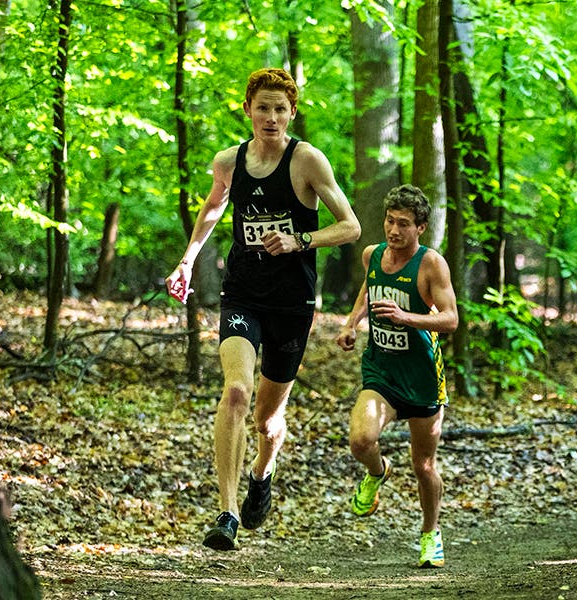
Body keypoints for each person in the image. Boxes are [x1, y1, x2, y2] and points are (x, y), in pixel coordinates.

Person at [165, 67, 361, 551]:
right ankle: (227, 512)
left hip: (292, 304)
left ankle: (261, 471)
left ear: (292, 112)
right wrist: (188, 260)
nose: (271, 116)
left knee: (267, 421)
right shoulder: (228, 161)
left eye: (280, 108)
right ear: (248, 110)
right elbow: (213, 207)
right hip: (243, 294)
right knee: (236, 391)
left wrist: (300, 240)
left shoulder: (307, 161)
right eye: (263, 107)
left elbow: (351, 226)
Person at [335, 184, 458, 568]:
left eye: (404, 224)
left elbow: (451, 319)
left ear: (420, 228)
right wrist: (352, 322)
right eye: (390, 221)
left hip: (421, 378)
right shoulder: (372, 255)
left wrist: (408, 318)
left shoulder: (430, 264)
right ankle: (378, 471)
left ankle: (430, 534)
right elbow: (368, 289)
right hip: (382, 372)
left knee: (423, 465)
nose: (394, 230)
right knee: (360, 440)